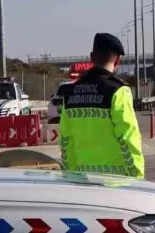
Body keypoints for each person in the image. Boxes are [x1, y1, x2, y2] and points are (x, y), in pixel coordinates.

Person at [58, 33, 145, 178]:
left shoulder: (70, 92)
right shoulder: (118, 91)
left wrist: (71, 176)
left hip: (83, 179)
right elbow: (128, 138)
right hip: (117, 183)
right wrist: (137, 176)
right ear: (118, 60)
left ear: (92, 57)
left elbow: (66, 140)